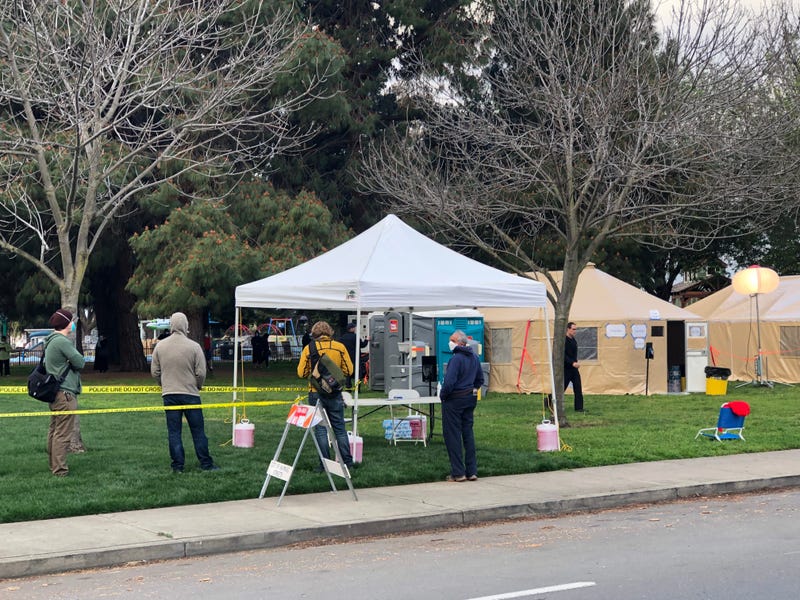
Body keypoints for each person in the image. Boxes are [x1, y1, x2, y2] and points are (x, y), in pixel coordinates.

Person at [151, 312, 218, 473]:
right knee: (198, 431)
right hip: (191, 394)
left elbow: (155, 372)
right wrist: (197, 385)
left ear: (171, 325)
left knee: (174, 432)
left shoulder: (160, 346)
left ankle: (177, 466)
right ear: (186, 325)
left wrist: (164, 384)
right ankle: (206, 463)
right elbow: (201, 372)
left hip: (169, 394)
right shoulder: (194, 346)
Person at [296, 320, 355, 470]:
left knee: (320, 429)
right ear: (330, 332)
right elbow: (349, 370)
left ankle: (324, 464)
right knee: (339, 428)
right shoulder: (340, 347)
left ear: (314, 333)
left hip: (316, 392)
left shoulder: (309, 348)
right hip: (335, 392)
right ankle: (347, 462)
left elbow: (301, 373)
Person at [44, 309, 85, 476]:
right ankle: (60, 469)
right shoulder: (62, 341)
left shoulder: (51, 341)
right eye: (71, 321)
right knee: (62, 433)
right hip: (65, 394)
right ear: (67, 323)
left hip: (55, 393)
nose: (73, 323)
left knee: (54, 430)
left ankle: (53, 464)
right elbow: (80, 362)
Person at [439, 330, 484, 482]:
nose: (449, 343)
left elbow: (449, 382)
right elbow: (480, 379)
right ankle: (472, 471)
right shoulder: (474, 357)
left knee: (452, 435)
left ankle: (458, 472)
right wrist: (473, 389)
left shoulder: (456, 359)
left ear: (459, 343)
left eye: (452, 340)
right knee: (468, 433)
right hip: (470, 398)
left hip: (454, 400)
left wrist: (443, 395)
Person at [338, 321, 368, 388]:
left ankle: (348, 386)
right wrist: (366, 340)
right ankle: (357, 387)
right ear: (351, 329)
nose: (355, 329)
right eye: (354, 328)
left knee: (348, 372)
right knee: (358, 372)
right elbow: (362, 345)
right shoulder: (355, 337)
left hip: (346, 357)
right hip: (355, 357)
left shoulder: (342, 337)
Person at [564, 321, 584, 412]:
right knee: (562, 388)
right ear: (568, 329)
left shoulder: (573, 340)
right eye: (573, 329)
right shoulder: (564, 340)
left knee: (578, 387)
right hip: (566, 368)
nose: (575, 331)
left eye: (576, 329)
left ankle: (579, 408)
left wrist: (575, 363)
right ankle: (548, 400)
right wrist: (572, 363)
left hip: (574, 369)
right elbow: (563, 355)